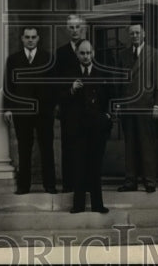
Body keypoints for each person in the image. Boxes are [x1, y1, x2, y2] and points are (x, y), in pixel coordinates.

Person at [3, 25, 57, 195]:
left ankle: (50, 185)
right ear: (22, 39)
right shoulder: (13, 59)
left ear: (38, 38)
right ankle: (23, 186)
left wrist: (52, 107)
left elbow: (53, 85)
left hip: (44, 112)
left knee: (47, 148)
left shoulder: (48, 58)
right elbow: (8, 85)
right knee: (24, 149)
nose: (30, 40)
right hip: (22, 111)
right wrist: (8, 108)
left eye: (33, 37)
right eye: (27, 37)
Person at [60, 40, 111, 214]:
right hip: (77, 128)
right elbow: (59, 99)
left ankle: (98, 205)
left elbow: (112, 97)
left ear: (93, 53)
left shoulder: (102, 73)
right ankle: (78, 205)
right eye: (82, 53)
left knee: (95, 166)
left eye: (88, 53)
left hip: (97, 128)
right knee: (78, 165)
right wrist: (71, 89)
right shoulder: (69, 73)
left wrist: (108, 116)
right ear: (77, 55)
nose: (86, 56)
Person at [116, 23, 158, 193]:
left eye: (138, 33)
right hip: (128, 106)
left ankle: (149, 181)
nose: (135, 36)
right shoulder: (123, 55)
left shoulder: (155, 53)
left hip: (146, 105)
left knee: (147, 144)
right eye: (132, 33)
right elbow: (119, 83)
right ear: (128, 36)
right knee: (130, 145)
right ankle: (130, 181)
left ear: (144, 34)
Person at [52, 14, 87, 192]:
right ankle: (69, 184)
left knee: (86, 145)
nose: (75, 31)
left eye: (77, 27)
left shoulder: (89, 48)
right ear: (67, 30)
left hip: (87, 106)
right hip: (68, 105)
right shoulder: (61, 52)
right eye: (71, 27)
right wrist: (67, 91)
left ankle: (86, 183)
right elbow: (56, 81)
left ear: (83, 28)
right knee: (68, 145)